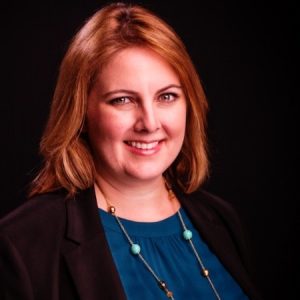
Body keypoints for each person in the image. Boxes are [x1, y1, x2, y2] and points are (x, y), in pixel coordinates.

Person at [0, 2, 263, 299]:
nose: (150, 123)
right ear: (81, 113)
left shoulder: (220, 219)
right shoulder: (20, 244)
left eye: (167, 96)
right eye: (123, 100)